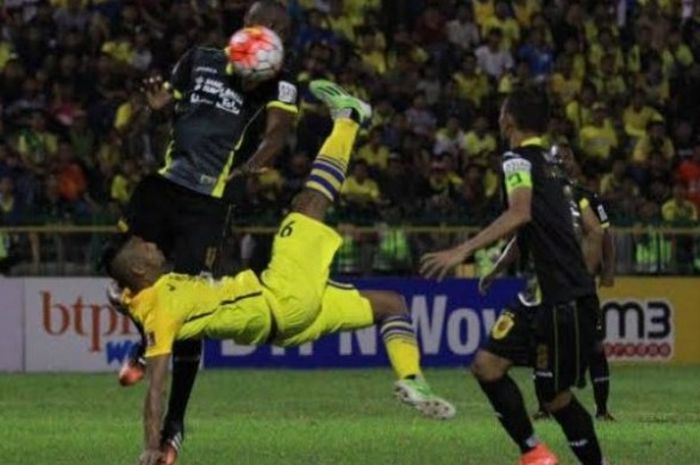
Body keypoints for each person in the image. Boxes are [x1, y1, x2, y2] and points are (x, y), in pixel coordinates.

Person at [104, 81, 455, 465]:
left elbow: (129, 297)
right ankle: (350, 117)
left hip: (290, 327)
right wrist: (151, 445)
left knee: (392, 304)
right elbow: (157, 387)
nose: (153, 246)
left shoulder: (146, 299)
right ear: (140, 269)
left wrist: (122, 297)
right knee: (309, 202)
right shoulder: (163, 306)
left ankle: (411, 379)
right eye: (146, 249)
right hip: (280, 296)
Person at [116, 1, 298, 462]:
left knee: (190, 311)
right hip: (165, 187)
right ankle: (144, 342)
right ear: (246, 23)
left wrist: (257, 164)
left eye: (281, 29)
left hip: (209, 201)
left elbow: (277, 133)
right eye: (266, 23)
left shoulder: (278, 84)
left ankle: (173, 427)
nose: (272, 32)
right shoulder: (198, 58)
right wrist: (157, 108)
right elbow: (164, 110)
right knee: (131, 275)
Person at [421, 88, 606, 465]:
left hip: (560, 299)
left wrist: (463, 250)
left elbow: (520, 213)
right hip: (543, 294)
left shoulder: (515, 160)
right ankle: (535, 453)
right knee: (487, 366)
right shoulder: (555, 166)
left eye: (502, 111)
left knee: (554, 398)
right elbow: (580, 227)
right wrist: (502, 266)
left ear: (508, 120)